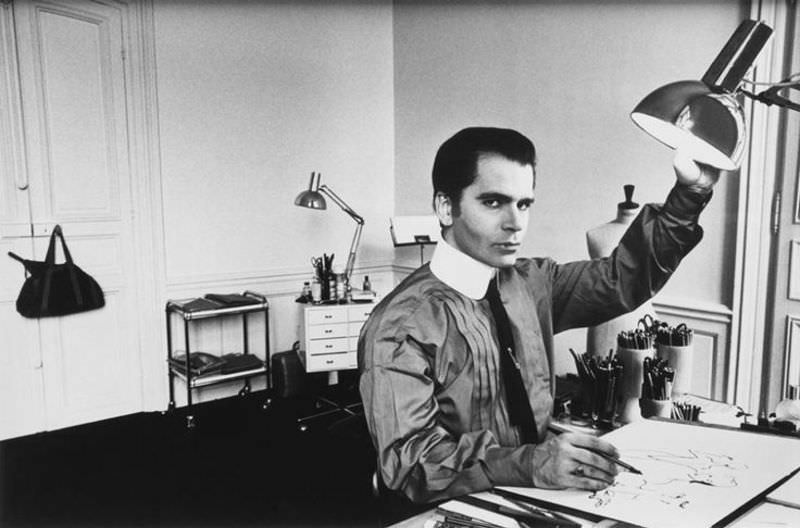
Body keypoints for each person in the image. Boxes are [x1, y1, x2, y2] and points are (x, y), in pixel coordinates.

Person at [357, 126, 717, 504]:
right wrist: (528, 463)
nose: (515, 223)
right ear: (446, 207)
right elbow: (410, 464)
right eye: (494, 202)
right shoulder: (401, 327)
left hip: (541, 500)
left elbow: (621, 280)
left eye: (524, 203)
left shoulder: (532, 282)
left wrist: (689, 195)